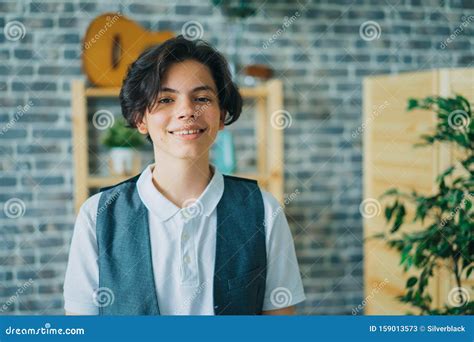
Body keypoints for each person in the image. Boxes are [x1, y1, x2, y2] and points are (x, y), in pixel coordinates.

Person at [64, 35, 305, 315]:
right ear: (141, 119)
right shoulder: (97, 216)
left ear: (221, 114)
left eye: (202, 98)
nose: (187, 111)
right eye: (166, 99)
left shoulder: (263, 209)